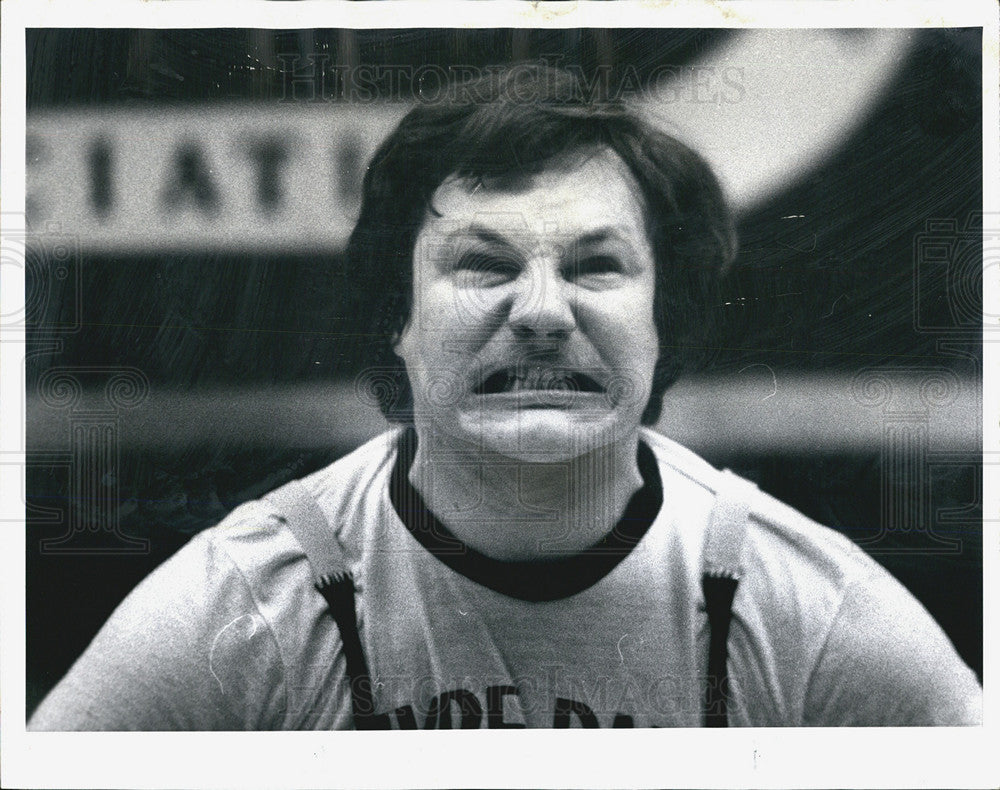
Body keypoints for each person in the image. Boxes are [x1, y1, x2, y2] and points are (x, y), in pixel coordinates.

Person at [29, 64, 982, 730]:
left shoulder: (813, 613)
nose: (540, 313)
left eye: (596, 267)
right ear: (391, 321)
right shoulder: (243, 607)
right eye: (483, 264)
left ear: (669, 324)